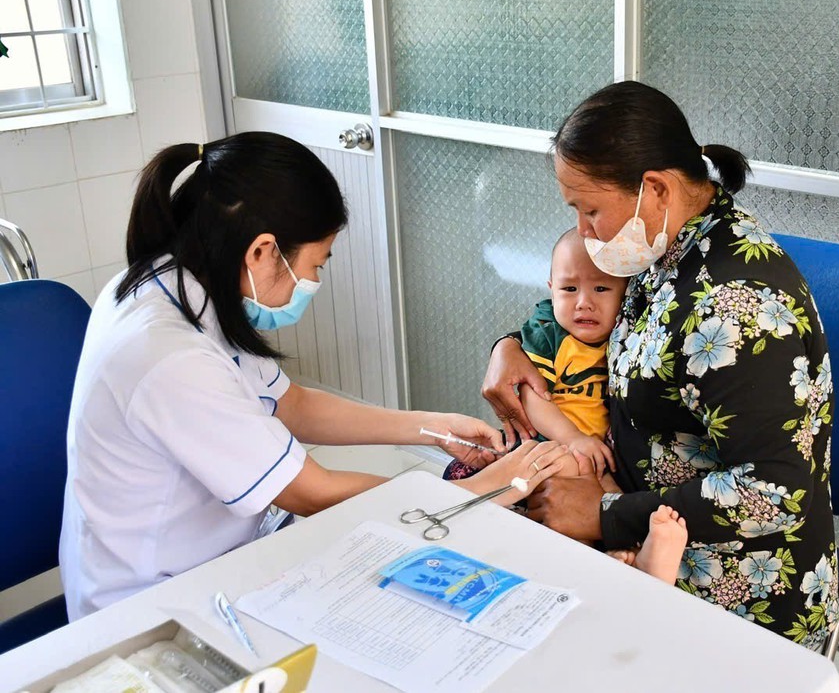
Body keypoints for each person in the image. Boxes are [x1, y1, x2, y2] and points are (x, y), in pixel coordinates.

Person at [59, 132, 572, 621]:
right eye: (316, 264)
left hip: (217, 551)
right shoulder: (170, 357)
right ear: (262, 252)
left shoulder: (179, 281)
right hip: (155, 599)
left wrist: (434, 427)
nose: (314, 282)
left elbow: (292, 405)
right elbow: (310, 491)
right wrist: (473, 494)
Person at [483, 81, 839, 650]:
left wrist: (605, 514)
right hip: (634, 515)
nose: (583, 231)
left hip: (736, 580)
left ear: (654, 189)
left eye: (591, 209)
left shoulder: (733, 309)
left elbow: (775, 490)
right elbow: (585, 299)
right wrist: (511, 348)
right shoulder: (663, 244)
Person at [444, 229, 625, 480]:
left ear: (626, 292)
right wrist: (573, 438)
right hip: (544, 443)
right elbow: (533, 396)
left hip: (593, 453)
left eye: (601, 288)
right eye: (569, 288)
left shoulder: (622, 335)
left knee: (605, 493)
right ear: (552, 289)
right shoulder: (549, 332)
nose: (584, 302)